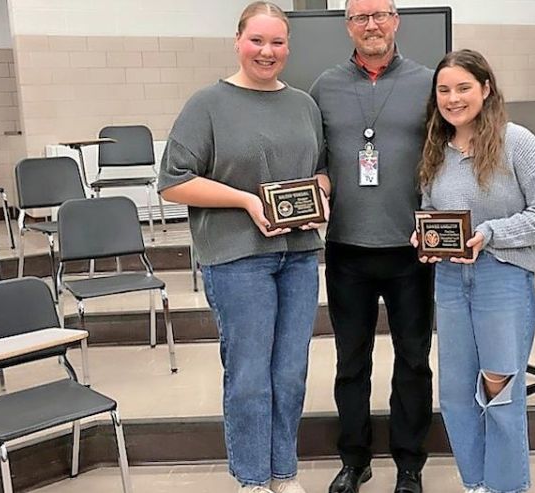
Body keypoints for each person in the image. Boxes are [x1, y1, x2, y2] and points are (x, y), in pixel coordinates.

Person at [158, 3, 328, 493]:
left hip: (297, 255)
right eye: (257, 40)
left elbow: (318, 169)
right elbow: (172, 183)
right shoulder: (207, 104)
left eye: (277, 42)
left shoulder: (303, 104)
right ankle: (252, 480)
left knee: (291, 374)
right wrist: (246, 202)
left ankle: (283, 473)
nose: (267, 51)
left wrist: (320, 193)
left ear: (288, 47)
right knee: (251, 376)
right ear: (238, 41)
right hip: (236, 259)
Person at [412, 49, 535, 493]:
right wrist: (425, 239)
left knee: (500, 388)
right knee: (457, 394)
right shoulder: (435, 150)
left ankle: (506, 486)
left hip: (503, 278)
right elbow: (429, 210)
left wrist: (491, 233)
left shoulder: (517, 142)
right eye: (444, 90)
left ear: (486, 89)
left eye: (463, 88)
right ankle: (475, 483)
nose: (453, 98)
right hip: (450, 282)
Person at [309, 1, 434, 492]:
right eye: (360, 17)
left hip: (411, 251)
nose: (372, 25)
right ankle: (355, 459)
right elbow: (315, 159)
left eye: (380, 14)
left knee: (413, 359)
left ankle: (409, 464)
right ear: (348, 26)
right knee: (351, 361)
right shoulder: (324, 86)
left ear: (396, 20)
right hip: (347, 250)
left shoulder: (429, 83)